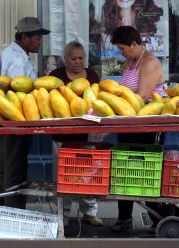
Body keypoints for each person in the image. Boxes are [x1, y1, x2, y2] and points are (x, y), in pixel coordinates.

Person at [109, 26, 166, 233]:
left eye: (123, 48)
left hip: (148, 126)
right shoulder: (129, 62)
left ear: (134, 44)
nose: (121, 52)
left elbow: (140, 96)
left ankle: (156, 219)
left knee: (146, 171)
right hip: (128, 123)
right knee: (123, 170)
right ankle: (124, 218)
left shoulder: (150, 63)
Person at [0, 17, 50, 209]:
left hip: (10, 120)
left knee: (4, 166)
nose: (40, 41)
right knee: (14, 169)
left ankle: (1, 209)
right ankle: (13, 211)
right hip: (17, 122)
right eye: (37, 37)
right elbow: (19, 93)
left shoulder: (11, 52)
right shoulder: (18, 60)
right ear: (25, 37)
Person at [49, 40, 103, 227]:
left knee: (88, 175)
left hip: (87, 136)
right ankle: (63, 214)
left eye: (81, 58)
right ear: (65, 59)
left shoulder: (93, 76)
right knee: (62, 176)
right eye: (74, 58)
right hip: (62, 137)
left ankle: (89, 212)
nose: (78, 61)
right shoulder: (56, 77)